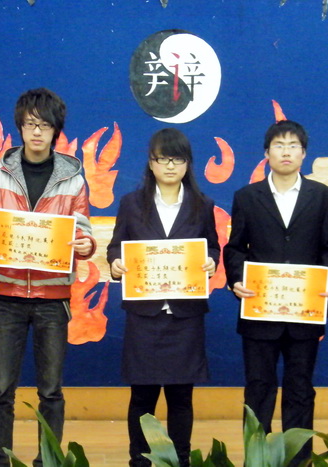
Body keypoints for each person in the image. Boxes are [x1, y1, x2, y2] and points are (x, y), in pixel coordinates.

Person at [0, 88, 96, 467]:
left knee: (51, 390)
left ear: (56, 130)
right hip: (7, 296)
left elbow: (84, 233)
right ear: (20, 128)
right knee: (1, 388)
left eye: (44, 125)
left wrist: (85, 245)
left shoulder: (73, 179)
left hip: (53, 299)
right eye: (30, 124)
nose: (37, 132)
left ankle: (48, 460)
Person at [223, 120, 328, 465]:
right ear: (266, 153)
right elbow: (235, 248)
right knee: (258, 388)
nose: (286, 152)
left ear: (304, 154)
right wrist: (236, 279)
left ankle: (298, 460)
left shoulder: (322, 196)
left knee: (300, 388)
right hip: (259, 311)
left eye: (293, 146)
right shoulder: (247, 197)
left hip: (305, 312)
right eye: (279, 145)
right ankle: (257, 459)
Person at [107, 128, 220, 467]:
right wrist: (116, 264)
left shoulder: (202, 205)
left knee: (181, 397)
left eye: (177, 159)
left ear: (187, 164)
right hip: (145, 314)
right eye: (163, 159)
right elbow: (116, 246)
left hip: (185, 315)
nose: (170, 166)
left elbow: (213, 246)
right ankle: (139, 461)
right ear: (151, 163)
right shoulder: (131, 203)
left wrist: (211, 261)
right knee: (142, 396)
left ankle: (180, 461)